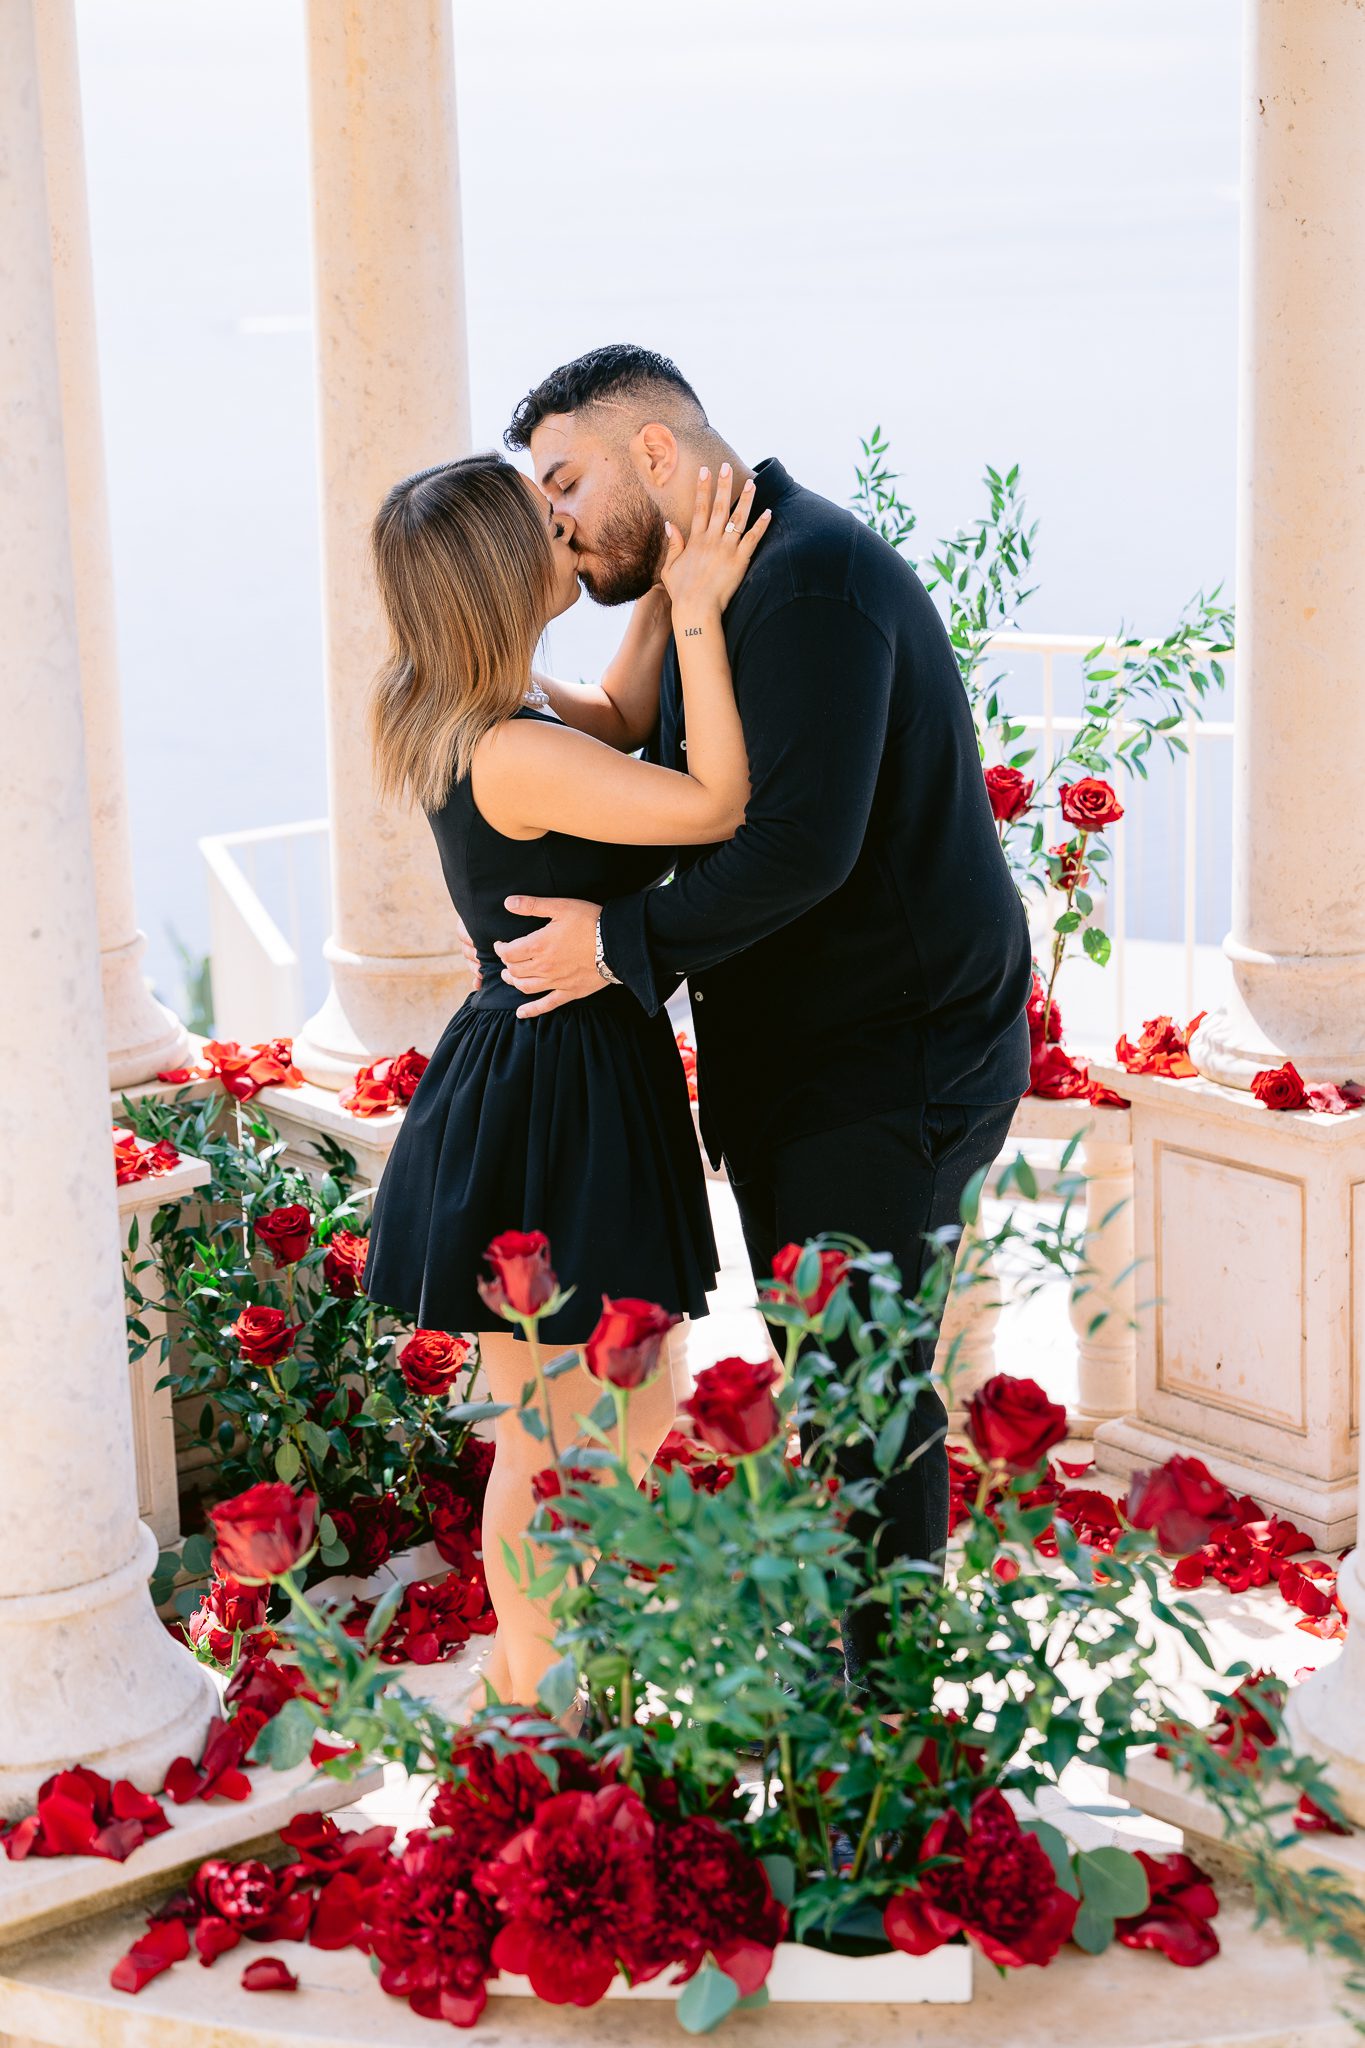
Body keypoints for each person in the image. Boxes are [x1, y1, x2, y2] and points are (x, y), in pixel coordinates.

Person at [492, 345, 1034, 1681]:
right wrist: (479, 682)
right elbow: (636, 730)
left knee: (863, 1399)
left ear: (659, 459)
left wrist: (613, 946)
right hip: (818, 1056)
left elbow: (799, 850)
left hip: (888, 1063)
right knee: (839, 1383)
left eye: (565, 482)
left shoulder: (806, 589)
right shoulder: (719, 582)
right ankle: (857, 1683)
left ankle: (884, 1729)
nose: (553, 518)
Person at [361, 450, 771, 1706]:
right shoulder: (511, 751)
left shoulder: (478, 702)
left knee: (621, 1414)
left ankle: (560, 1669)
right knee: (558, 1435)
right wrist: (698, 605)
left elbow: (628, 714)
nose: (572, 530)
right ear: (503, 574)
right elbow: (712, 801)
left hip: (551, 1062)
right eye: (553, 524)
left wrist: (663, 564)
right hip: (560, 1082)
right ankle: (528, 1693)